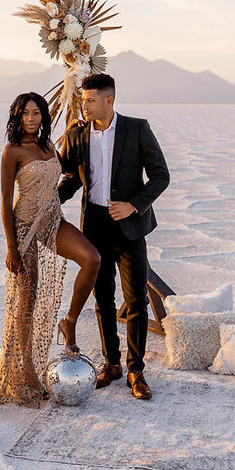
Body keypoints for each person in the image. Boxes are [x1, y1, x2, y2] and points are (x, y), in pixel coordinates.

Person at [0, 92, 100, 406]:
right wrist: (12, 246)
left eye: (36, 113)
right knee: (27, 301)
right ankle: (26, 373)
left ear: (44, 116)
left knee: (92, 258)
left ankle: (69, 321)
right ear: (17, 117)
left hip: (53, 220)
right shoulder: (12, 151)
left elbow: (64, 170)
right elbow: (5, 203)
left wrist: (78, 127)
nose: (32, 119)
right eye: (26, 114)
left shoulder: (49, 146)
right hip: (24, 227)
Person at [59, 74, 170, 400]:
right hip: (93, 225)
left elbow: (161, 175)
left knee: (135, 300)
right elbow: (69, 178)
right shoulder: (77, 134)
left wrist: (133, 205)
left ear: (109, 100)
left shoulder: (137, 129)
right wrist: (46, 200)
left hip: (129, 225)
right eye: (83, 99)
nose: (85, 105)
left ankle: (136, 370)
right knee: (103, 298)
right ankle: (112, 364)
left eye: (90, 100)